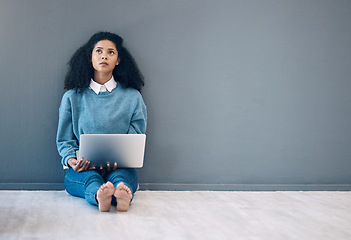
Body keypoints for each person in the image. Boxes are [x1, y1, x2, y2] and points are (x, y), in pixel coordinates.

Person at [56, 32, 147, 212]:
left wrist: (122, 159)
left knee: (122, 178)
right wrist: (72, 160)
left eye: (110, 52)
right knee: (89, 179)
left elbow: (136, 137)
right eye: (98, 51)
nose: (104, 56)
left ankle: (121, 194)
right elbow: (64, 140)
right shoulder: (71, 98)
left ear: (118, 60)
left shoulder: (133, 97)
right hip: (84, 168)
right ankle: (100, 195)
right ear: (90, 58)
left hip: (120, 166)